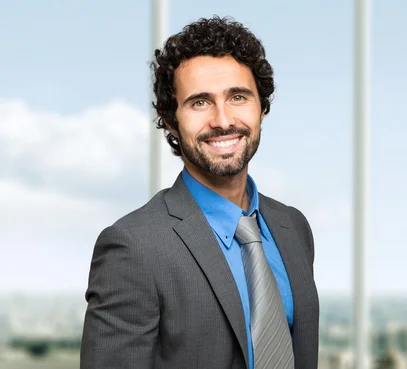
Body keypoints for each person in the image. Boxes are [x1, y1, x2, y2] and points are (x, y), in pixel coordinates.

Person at [80, 16, 319, 369]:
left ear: (262, 108)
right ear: (172, 121)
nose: (223, 120)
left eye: (238, 97)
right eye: (200, 102)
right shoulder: (133, 247)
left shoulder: (293, 227)